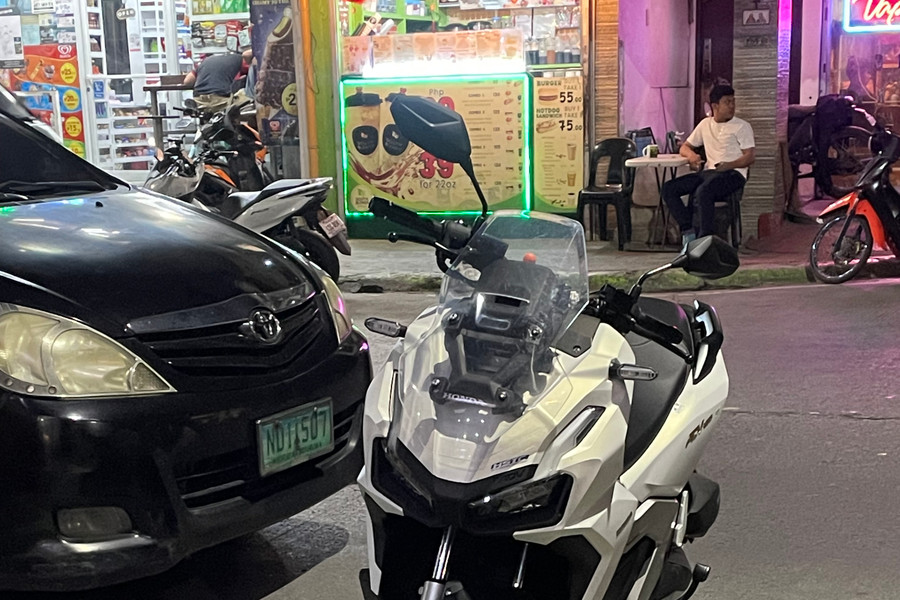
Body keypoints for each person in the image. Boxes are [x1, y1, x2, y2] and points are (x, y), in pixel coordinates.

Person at [662, 84, 755, 249]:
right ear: (715, 106)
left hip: (733, 174)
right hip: (710, 172)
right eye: (727, 102)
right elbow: (685, 147)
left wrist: (728, 165)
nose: (732, 106)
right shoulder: (705, 124)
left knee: (704, 191)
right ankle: (688, 231)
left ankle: (705, 241)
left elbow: (749, 157)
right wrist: (692, 156)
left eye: (733, 101)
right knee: (669, 188)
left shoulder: (742, 126)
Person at [183, 48, 253, 112]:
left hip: (198, 100)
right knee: (248, 98)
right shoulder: (241, 60)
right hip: (221, 100)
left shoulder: (205, 61)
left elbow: (187, 81)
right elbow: (251, 72)